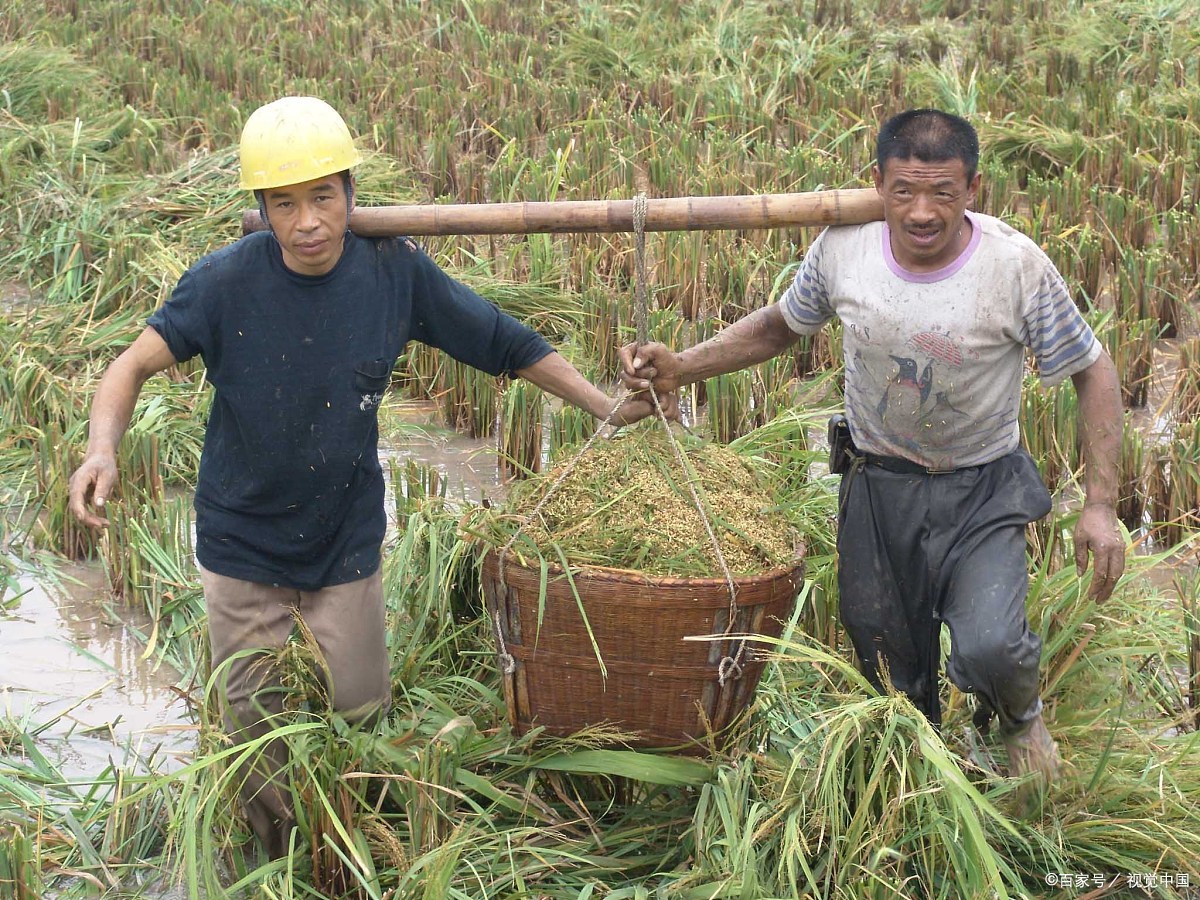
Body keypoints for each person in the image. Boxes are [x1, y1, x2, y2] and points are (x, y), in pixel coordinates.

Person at [67, 95, 660, 858]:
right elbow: (129, 366)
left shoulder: (393, 270)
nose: (308, 221)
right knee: (259, 737)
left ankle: (355, 848)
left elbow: (504, 341)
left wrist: (604, 406)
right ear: (263, 210)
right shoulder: (221, 283)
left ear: (352, 193)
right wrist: (101, 447)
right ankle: (280, 863)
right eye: (285, 204)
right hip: (241, 542)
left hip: (343, 538)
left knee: (356, 712)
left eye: (323, 197)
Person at [620, 108, 1125, 790]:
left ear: (972, 189)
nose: (922, 212)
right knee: (889, 670)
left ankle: (1019, 716)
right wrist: (682, 365)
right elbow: (779, 327)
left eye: (942, 193)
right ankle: (926, 787)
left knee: (992, 645)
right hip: (876, 487)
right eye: (904, 191)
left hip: (981, 489)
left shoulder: (1014, 267)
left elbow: (1094, 370)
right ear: (876, 183)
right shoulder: (843, 248)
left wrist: (1100, 505)